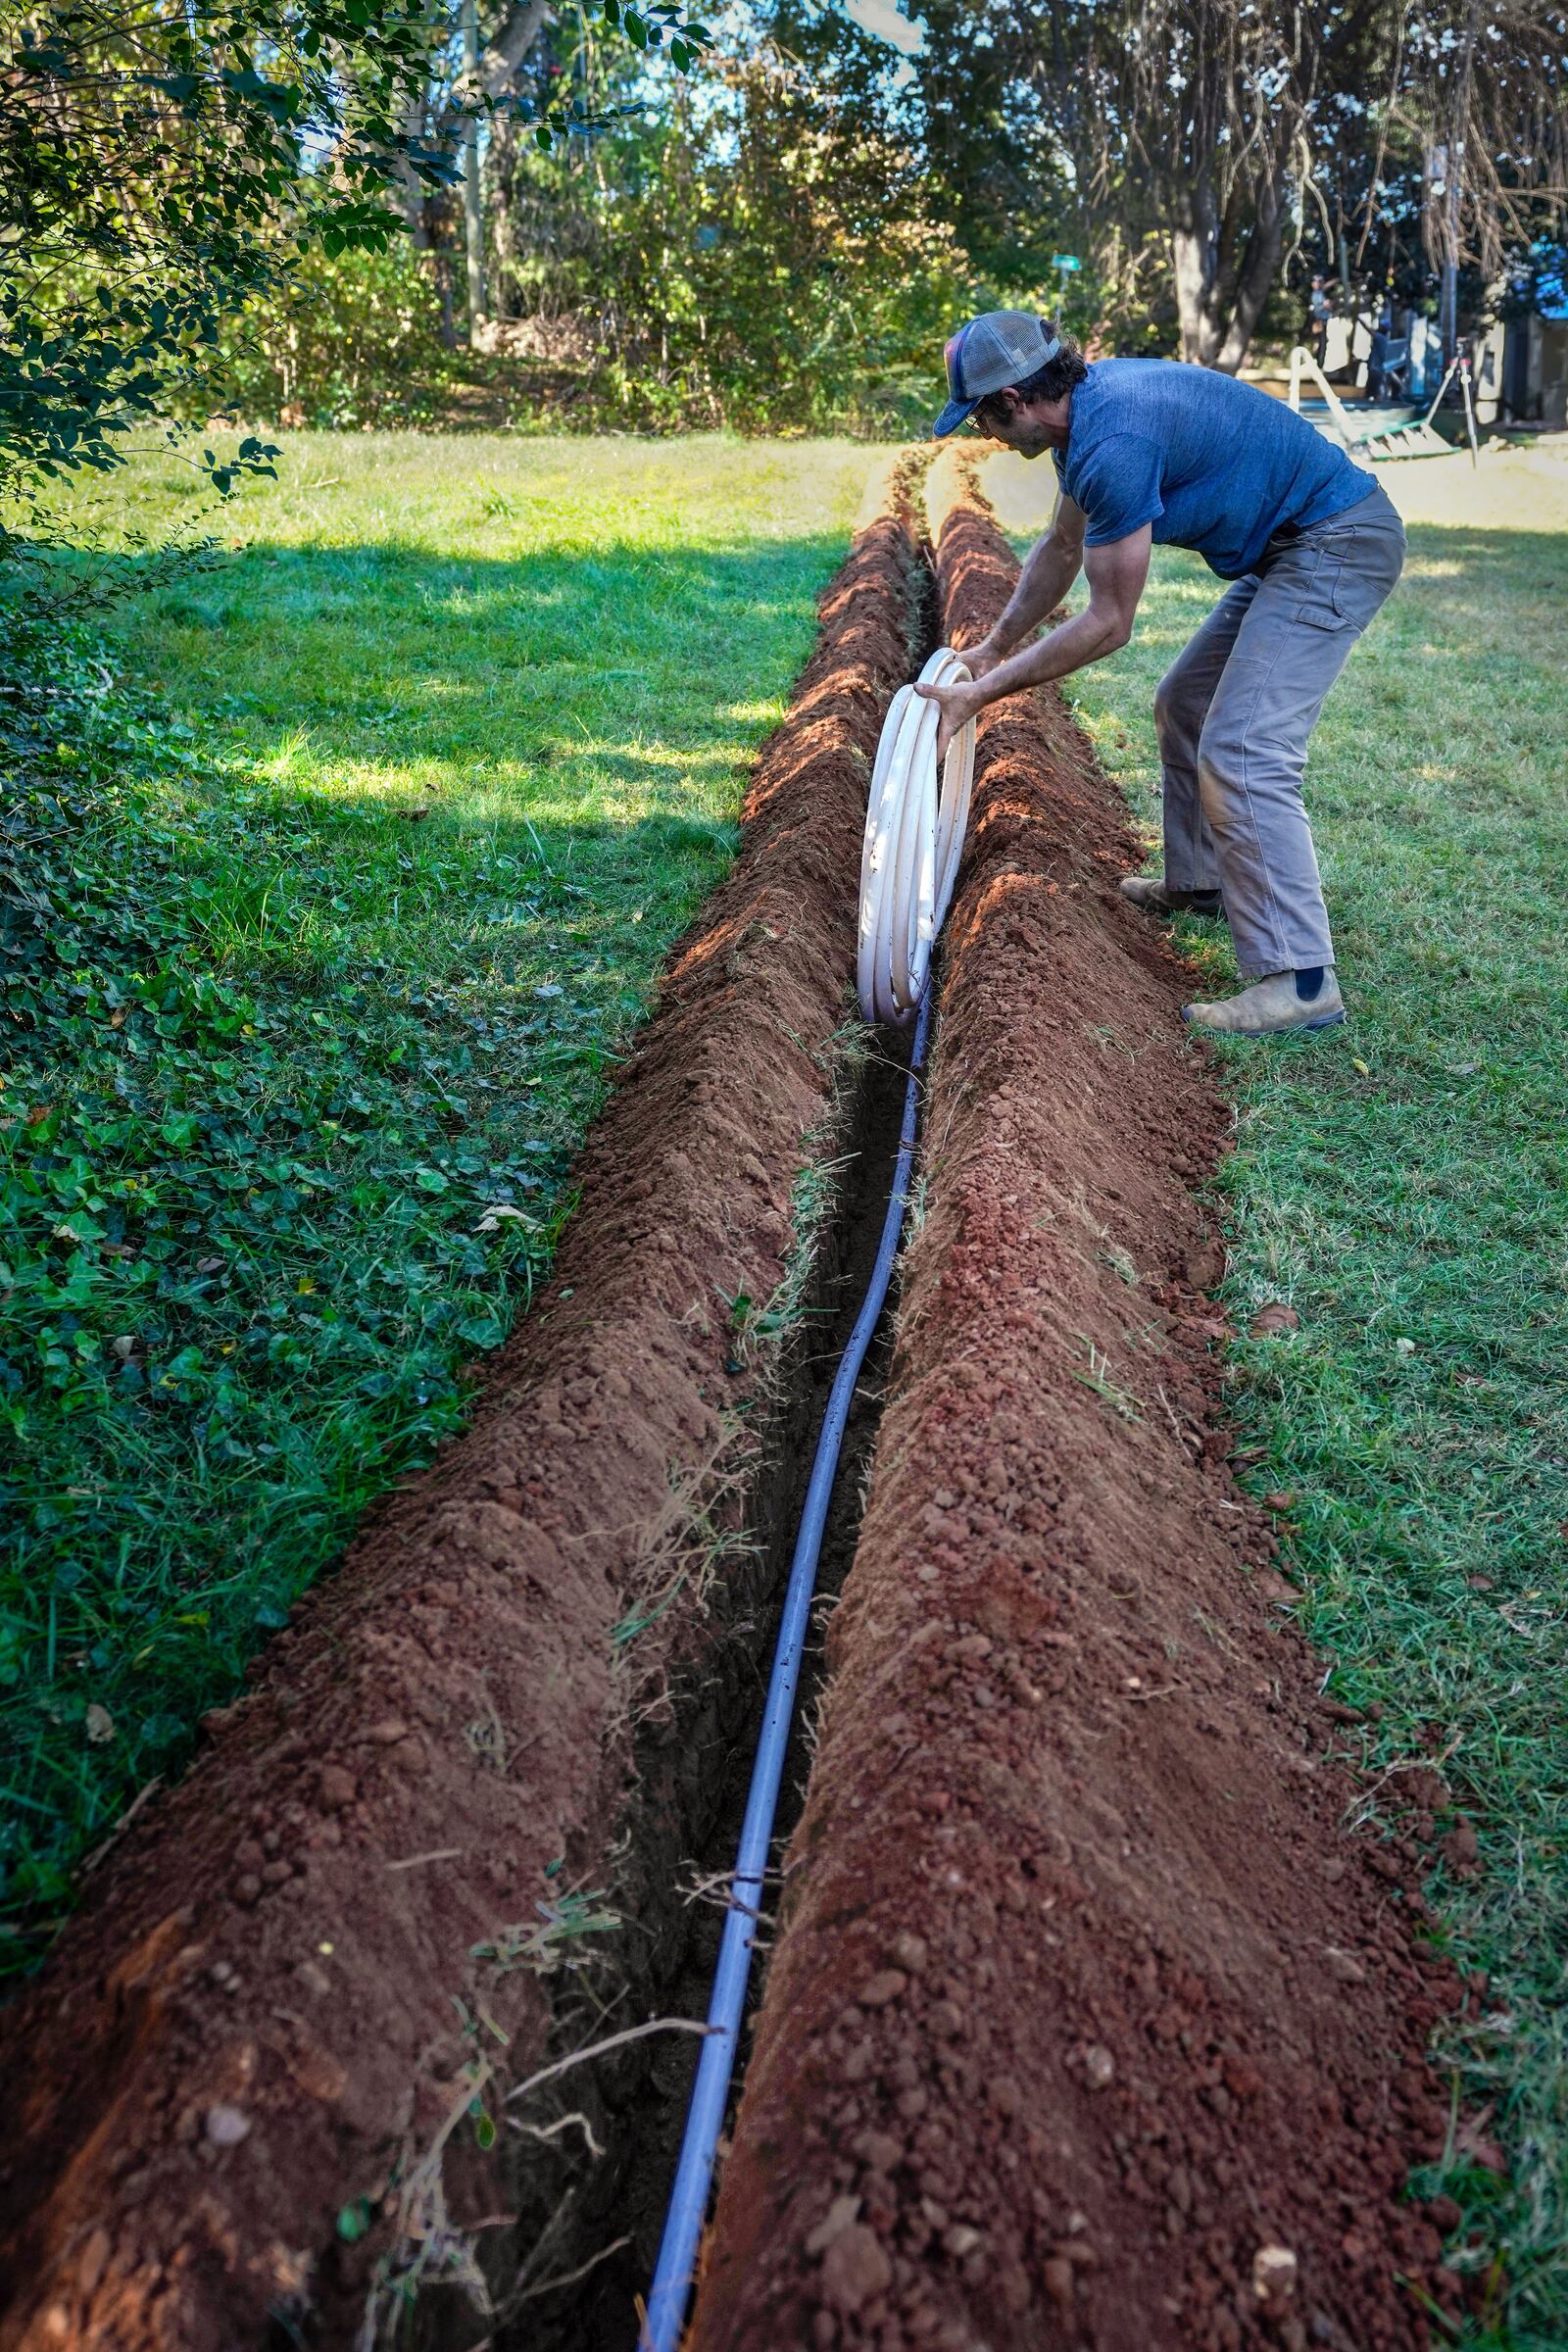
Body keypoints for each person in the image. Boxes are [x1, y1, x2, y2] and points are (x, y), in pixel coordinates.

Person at [917, 311, 1405, 1036]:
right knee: (1185, 703)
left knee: (1243, 749)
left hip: (1334, 542)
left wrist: (984, 693)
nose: (983, 435)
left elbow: (1110, 622)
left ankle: (1303, 983)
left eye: (982, 418)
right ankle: (1202, 885)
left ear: (1014, 401)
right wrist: (992, 646)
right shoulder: (1086, 420)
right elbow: (1061, 544)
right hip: (1290, 546)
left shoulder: (1112, 441)